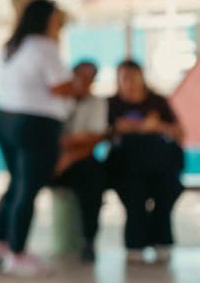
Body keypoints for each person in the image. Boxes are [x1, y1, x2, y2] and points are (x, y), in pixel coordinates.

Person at [0, 0, 78, 277]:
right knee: (28, 189)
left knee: (16, 183)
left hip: (5, 121)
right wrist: (78, 85)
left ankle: (2, 243)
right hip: (36, 125)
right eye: (56, 17)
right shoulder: (45, 47)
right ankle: (18, 253)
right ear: (46, 19)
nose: (59, 22)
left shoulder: (11, 47)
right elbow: (61, 86)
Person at [107, 59, 186, 263]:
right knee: (134, 196)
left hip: (161, 166)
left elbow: (179, 132)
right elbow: (103, 133)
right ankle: (135, 242)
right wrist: (129, 128)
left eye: (134, 77)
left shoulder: (157, 101)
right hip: (128, 167)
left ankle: (161, 241)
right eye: (125, 78)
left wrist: (155, 126)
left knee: (167, 191)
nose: (130, 83)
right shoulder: (112, 103)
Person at [51, 60, 109, 263]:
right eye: (79, 75)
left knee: (92, 184)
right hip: (51, 158)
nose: (83, 81)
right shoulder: (57, 100)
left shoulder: (96, 103)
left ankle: (89, 241)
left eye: (88, 77)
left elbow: (93, 139)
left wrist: (68, 154)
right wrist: (74, 140)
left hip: (78, 160)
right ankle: (12, 245)